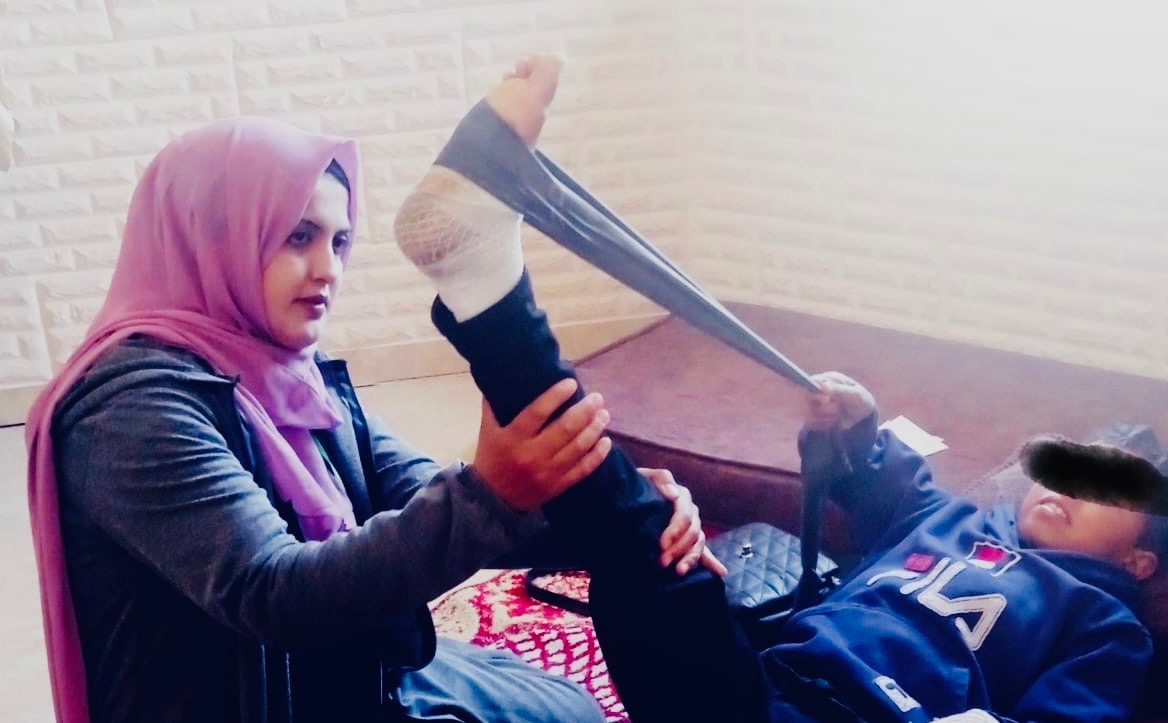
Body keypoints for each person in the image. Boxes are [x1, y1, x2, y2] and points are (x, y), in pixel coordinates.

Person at [392, 54, 1168, 723]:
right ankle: (481, 285)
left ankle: (486, 294)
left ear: (1139, 556)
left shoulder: (1104, 624)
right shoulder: (955, 520)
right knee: (648, 539)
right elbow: (883, 484)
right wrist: (857, 424)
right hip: (760, 687)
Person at [24, 86, 725, 723]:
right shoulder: (131, 412)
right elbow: (274, 594)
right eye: (297, 236)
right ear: (212, 235)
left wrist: (614, 504)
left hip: (343, 669)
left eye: (339, 240)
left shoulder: (286, 374)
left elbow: (419, 490)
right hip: (252, 700)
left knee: (570, 709)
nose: (329, 269)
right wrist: (495, 496)